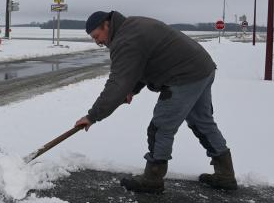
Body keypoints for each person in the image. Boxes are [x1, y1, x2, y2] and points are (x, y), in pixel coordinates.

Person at [74, 10, 237, 193]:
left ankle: (152, 179)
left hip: (184, 76)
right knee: (202, 122)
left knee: (161, 127)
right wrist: (132, 89)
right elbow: (143, 65)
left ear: (106, 24)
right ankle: (225, 174)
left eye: (97, 36)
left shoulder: (125, 40)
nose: (97, 42)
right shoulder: (132, 26)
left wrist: (92, 116)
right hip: (202, 68)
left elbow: (117, 83)